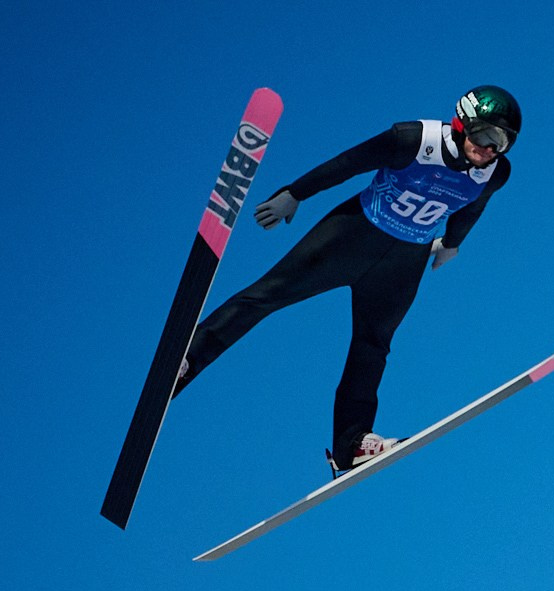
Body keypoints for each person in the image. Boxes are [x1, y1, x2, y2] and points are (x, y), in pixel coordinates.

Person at [173, 85, 521, 476]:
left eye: (503, 142)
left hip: (404, 262)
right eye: (486, 136)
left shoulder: (495, 172)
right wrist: (296, 193)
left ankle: (352, 444)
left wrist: (452, 244)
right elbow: (348, 163)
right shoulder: (412, 139)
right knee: (268, 295)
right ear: (461, 124)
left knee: (373, 346)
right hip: (352, 236)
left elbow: (473, 207)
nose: (491, 149)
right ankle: (186, 360)